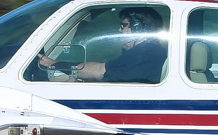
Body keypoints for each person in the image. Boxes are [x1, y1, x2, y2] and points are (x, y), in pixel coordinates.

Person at [37, 6, 167, 83]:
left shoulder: (142, 55)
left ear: (138, 29)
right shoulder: (152, 52)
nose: (119, 30)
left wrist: (53, 64)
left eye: (123, 26)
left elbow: (99, 71)